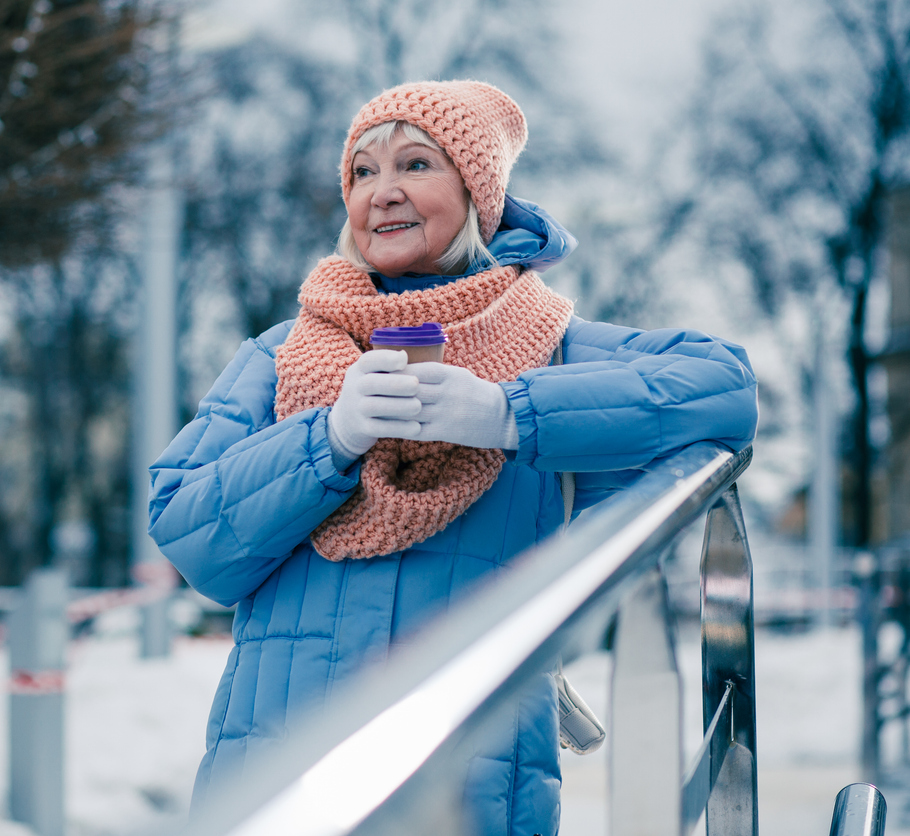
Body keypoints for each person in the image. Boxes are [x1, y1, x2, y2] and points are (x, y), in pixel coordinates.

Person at [148, 80, 758, 836]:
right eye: (363, 173)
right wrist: (328, 438)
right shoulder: (281, 355)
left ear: (477, 191)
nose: (383, 193)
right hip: (281, 774)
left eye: (416, 165)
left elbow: (725, 386)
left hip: (471, 782)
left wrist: (511, 413)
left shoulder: (552, 347)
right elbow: (189, 536)